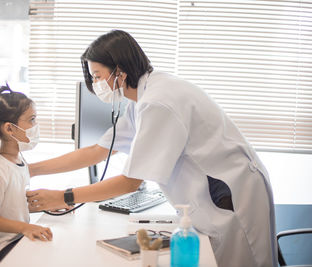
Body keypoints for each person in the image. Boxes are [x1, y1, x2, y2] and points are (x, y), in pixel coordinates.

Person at [26, 30, 277, 267]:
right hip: (216, 192)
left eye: (98, 75)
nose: (95, 83)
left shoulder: (157, 102)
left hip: (229, 194)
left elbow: (130, 182)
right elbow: (97, 150)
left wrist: (63, 197)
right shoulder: (141, 100)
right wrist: (31, 170)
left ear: (120, 71)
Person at [0, 85, 53, 266]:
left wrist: (46, 206)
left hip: (14, 238)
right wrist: (26, 227)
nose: (36, 126)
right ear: (10, 129)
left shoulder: (19, 161)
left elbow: (12, 207)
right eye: (32, 120)